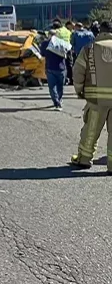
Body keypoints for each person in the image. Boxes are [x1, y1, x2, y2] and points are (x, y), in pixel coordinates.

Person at [70, 20, 112, 175]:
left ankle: (84, 159)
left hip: (96, 99)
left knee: (91, 130)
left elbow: (78, 72)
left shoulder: (89, 49)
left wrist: (79, 90)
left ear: (99, 32)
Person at [39, 29, 67, 111]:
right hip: (61, 67)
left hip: (50, 67)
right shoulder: (62, 43)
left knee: (52, 86)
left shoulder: (45, 44)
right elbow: (68, 53)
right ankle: (59, 100)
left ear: (49, 35)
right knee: (60, 86)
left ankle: (56, 103)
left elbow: (42, 54)